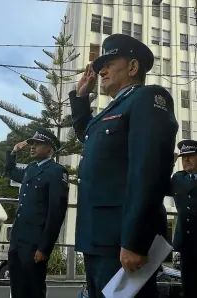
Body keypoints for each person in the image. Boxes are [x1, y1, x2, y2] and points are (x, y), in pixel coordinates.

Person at [69, 34, 178, 298]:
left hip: (122, 239)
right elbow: (90, 135)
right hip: (98, 237)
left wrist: (135, 241)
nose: (101, 70)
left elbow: (148, 171)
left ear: (132, 67)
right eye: (99, 66)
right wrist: (81, 99)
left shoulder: (148, 98)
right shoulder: (110, 111)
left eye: (108, 63)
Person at [6, 128, 69, 298]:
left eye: (39, 144)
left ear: (50, 149)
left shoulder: (57, 172)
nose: (32, 147)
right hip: (18, 240)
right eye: (32, 143)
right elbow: (10, 172)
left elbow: (56, 213)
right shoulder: (31, 169)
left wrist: (44, 247)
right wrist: (13, 153)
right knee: (17, 287)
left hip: (35, 242)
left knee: (33, 289)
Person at [171, 140, 197, 298]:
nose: (186, 160)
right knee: (188, 285)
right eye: (183, 156)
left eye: (191, 156)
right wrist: (169, 164)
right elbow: (157, 185)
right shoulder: (178, 178)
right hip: (186, 242)